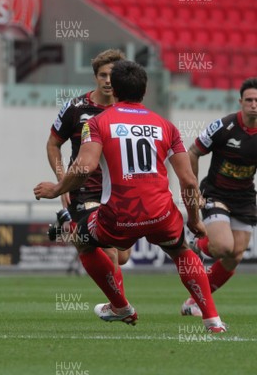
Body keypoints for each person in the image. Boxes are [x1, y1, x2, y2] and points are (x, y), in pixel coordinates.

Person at [34, 61, 226, 332]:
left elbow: (85, 166)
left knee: (82, 240)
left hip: (119, 214)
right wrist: (194, 219)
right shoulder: (165, 126)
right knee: (182, 251)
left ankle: (120, 305)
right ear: (144, 91)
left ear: (117, 90)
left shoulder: (98, 122)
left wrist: (57, 188)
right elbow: (189, 181)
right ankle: (212, 320)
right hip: (161, 213)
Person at [46, 48, 131, 277]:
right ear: (95, 77)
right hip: (85, 191)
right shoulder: (76, 108)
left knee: (122, 255)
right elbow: (53, 144)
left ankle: (67, 224)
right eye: (103, 75)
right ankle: (120, 307)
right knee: (109, 250)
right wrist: (62, 178)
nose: (108, 80)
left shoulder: (126, 109)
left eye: (112, 75)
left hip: (117, 191)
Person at [180, 77, 257, 316]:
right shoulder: (224, 127)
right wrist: (193, 188)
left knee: (235, 256)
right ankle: (198, 243)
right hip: (215, 193)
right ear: (240, 102)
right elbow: (192, 152)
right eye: (249, 100)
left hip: (244, 198)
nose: (254, 104)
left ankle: (194, 301)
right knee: (224, 247)